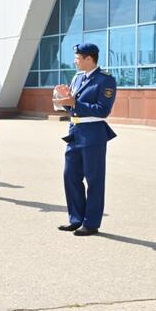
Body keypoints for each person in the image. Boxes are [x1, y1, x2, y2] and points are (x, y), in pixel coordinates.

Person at [53, 43, 117, 236]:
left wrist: (75, 103)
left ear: (89, 58)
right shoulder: (77, 78)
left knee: (94, 179)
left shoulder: (105, 80)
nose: (74, 61)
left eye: (78, 57)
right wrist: (66, 100)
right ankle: (76, 219)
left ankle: (91, 223)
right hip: (75, 131)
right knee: (70, 175)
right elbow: (72, 107)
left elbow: (103, 110)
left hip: (93, 132)